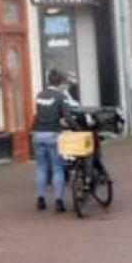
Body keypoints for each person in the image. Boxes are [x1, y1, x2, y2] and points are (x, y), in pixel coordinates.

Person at [32, 70, 78, 213]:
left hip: (38, 134)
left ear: (48, 80)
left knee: (41, 168)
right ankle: (59, 201)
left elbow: (37, 114)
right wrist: (77, 128)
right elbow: (68, 117)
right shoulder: (60, 96)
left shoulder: (40, 95)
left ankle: (41, 199)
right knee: (58, 168)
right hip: (53, 134)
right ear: (60, 82)